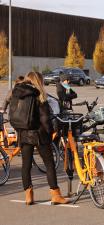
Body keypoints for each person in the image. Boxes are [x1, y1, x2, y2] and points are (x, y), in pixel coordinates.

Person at [9, 72, 69, 205]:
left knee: (26, 165)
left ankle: (28, 195)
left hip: (23, 134)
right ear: (38, 81)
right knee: (49, 164)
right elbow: (45, 118)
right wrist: (51, 132)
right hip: (40, 135)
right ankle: (55, 194)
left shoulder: (17, 93)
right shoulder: (38, 94)